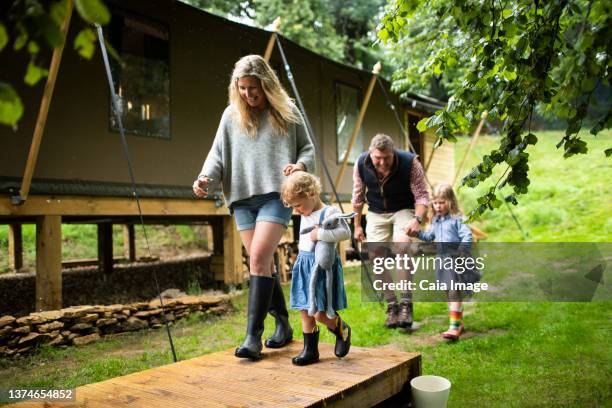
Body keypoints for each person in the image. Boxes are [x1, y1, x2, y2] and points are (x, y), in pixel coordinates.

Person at [192, 55, 315, 360]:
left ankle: (252, 337)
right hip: (242, 197)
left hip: (277, 193)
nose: (248, 94)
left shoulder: (286, 112)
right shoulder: (230, 116)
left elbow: (307, 147)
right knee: (263, 264)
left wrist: (300, 165)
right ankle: (284, 324)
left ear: (267, 85)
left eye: (254, 88)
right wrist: (205, 177)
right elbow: (217, 154)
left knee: (259, 257)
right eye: (242, 88)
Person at [352, 134, 429, 329]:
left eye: (387, 157)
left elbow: (421, 195)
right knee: (376, 255)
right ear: (371, 153)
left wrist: (417, 219)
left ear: (393, 153)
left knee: (402, 246)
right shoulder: (361, 163)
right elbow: (358, 196)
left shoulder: (410, 163)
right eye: (378, 158)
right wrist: (358, 225)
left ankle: (406, 304)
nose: (383, 162)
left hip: (403, 209)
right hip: (377, 211)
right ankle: (392, 305)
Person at [281, 171, 351, 366]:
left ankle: (342, 329)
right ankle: (310, 350)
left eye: (298, 205)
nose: (296, 211)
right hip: (304, 263)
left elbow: (345, 232)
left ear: (311, 193)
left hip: (320, 267)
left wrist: (319, 234)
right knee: (305, 309)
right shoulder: (306, 210)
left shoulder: (330, 212)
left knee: (319, 312)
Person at [417, 183, 473, 340]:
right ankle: (457, 322)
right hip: (442, 261)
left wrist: (463, 250)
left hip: (455, 259)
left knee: (454, 291)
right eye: (435, 203)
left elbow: (467, 236)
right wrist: (417, 233)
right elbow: (429, 237)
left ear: (450, 201)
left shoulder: (457, 219)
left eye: (442, 202)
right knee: (448, 293)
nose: (438, 206)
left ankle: (454, 327)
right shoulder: (436, 221)